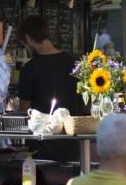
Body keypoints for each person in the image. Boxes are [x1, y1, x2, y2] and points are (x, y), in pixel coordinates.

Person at [16, 15, 84, 162]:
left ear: (29, 39)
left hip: (41, 144)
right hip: (74, 142)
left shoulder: (29, 69)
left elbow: (24, 110)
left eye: (25, 45)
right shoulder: (74, 64)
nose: (26, 49)